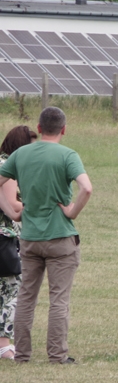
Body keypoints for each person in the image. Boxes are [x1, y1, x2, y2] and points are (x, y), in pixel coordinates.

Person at [0, 107, 92, 364]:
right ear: (63, 129)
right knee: (58, 299)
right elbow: (87, 187)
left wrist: (13, 213)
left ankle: (23, 355)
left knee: (26, 297)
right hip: (60, 237)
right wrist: (72, 211)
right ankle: (57, 355)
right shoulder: (67, 155)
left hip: (29, 238)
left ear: (39, 128)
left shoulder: (19, 154)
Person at [0, 126, 37, 360]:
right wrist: (42, 204)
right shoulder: (8, 167)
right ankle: (5, 344)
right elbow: (13, 205)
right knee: (11, 289)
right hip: (7, 236)